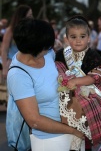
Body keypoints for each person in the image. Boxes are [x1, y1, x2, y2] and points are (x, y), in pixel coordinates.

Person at [6, 18, 84, 151]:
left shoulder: (47, 55)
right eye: (46, 46)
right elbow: (34, 120)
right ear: (35, 48)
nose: (50, 49)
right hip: (49, 140)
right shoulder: (18, 75)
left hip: (74, 130)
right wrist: (73, 131)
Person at [55, 15, 101, 150]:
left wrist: (77, 81)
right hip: (65, 95)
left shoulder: (93, 55)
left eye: (82, 36)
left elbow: (95, 76)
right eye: (73, 37)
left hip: (88, 94)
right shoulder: (61, 54)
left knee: (84, 130)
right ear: (67, 38)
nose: (78, 41)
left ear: (89, 38)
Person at [1, 5, 33, 79]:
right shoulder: (10, 31)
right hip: (13, 65)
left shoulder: (31, 30)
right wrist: (5, 68)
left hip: (28, 65)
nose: (32, 17)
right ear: (22, 16)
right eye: (30, 15)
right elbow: (4, 50)